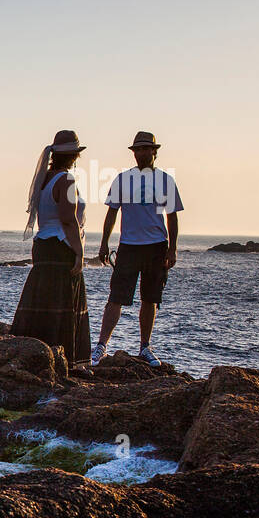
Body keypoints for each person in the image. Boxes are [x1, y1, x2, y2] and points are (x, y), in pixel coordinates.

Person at [91, 131, 183, 367]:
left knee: (150, 299)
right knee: (116, 298)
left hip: (156, 247)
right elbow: (112, 212)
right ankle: (101, 346)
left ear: (154, 151)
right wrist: (104, 242)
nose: (141, 153)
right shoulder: (122, 179)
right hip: (128, 246)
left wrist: (172, 249)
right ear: (133, 153)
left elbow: (172, 217)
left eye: (145, 149)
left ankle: (145, 347)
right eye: (137, 150)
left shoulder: (165, 180)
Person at [11, 129, 92, 373]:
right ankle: (70, 360)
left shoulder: (44, 179)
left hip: (43, 244)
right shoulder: (66, 180)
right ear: (75, 156)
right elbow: (68, 220)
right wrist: (79, 252)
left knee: (43, 299)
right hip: (60, 245)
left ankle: (37, 352)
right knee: (65, 302)